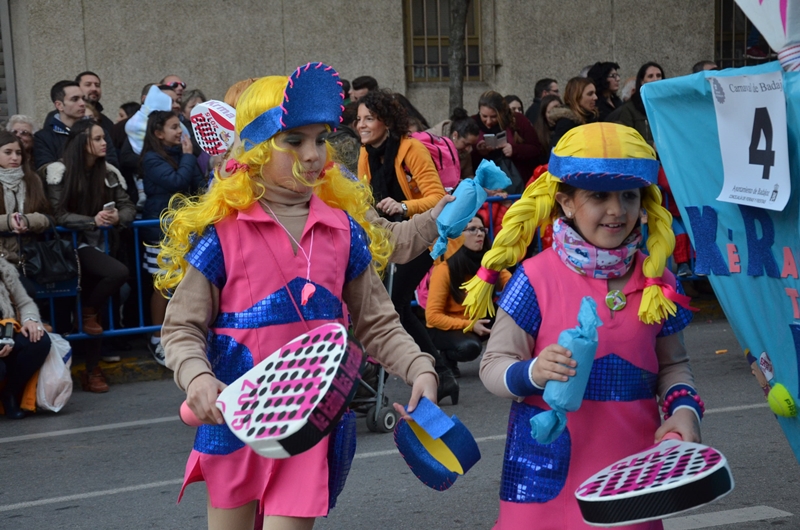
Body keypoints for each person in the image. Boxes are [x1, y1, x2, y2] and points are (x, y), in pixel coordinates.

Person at [158, 64, 438, 529]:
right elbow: (183, 326)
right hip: (234, 421)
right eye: (294, 141)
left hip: (307, 419)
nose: (313, 155)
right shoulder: (223, 234)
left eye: (320, 139)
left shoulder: (344, 230)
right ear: (257, 148)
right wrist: (197, 378)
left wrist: (419, 367)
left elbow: (377, 322)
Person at [463, 122, 701, 529]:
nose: (617, 210)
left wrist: (684, 411)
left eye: (629, 196)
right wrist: (531, 372)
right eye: (598, 196)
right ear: (567, 203)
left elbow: (674, 367)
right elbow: (493, 366)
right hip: (543, 482)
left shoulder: (659, 281)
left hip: (629, 480)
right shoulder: (534, 278)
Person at [355, 89, 456, 403]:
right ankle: (440, 374)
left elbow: (437, 196)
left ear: (386, 122)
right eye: (358, 119)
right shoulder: (364, 152)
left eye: (368, 119)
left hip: (424, 236)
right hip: (388, 240)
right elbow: (362, 198)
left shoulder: (411, 148)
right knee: (395, 305)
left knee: (394, 300)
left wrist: (402, 207)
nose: (360, 125)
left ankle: (436, 372)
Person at [46, 120, 135, 392]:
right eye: (97, 139)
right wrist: (92, 221)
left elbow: (128, 205)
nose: (104, 143)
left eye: (103, 138)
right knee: (116, 274)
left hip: (100, 247)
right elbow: (58, 214)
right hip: (67, 250)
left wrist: (118, 216)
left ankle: (93, 370)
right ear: (82, 143)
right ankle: (85, 319)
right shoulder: (57, 172)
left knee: (97, 307)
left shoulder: (108, 172)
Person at [140, 111, 205, 366]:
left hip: (184, 228)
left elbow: (198, 187)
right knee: (162, 285)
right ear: (158, 133)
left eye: (180, 127)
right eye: (174, 127)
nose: (181, 132)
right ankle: (157, 337)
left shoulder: (183, 154)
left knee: (184, 284)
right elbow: (175, 182)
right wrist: (189, 157)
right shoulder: (152, 158)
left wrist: (191, 159)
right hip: (160, 230)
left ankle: (181, 336)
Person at [425, 216, 510, 379]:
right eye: (472, 229)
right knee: (470, 348)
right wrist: (469, 325)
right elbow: (432, 317)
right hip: (449, 326)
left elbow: (513, 287)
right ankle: (447, 357)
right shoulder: (445, 269)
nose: (479, 234)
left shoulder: (491, 262)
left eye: (482, 229)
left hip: (480, 319)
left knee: (515, 313)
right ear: (457, 235)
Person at [0, 131, 52, 296]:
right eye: (8, 153)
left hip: (29, 255)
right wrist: (9, 221)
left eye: (18, 153)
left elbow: (49, 217)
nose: (14, 158)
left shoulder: (32, 180)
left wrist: (27, 221)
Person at [0, 256, 51, 419]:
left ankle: (10, 394)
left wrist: (30, 320)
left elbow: (25, 303)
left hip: (7, 330)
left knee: (38, 341)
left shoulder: (4, 269)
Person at [33, 81, 119, 171]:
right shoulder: (43, 137)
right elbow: (47, 171)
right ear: (59, 105)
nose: (82, 103)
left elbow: (112, 164)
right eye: (75, 99)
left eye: (83, 98)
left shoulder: (98, 131)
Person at [471, 90, 542, 190]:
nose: (488, 121)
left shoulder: (518, 120)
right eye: (484, 116)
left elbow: (536, 149)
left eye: (494, 117)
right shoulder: (473, 122)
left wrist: (514, 150)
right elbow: (465, 156)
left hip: (517, 180)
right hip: (485, 185)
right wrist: (478, 150)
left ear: (502, 112)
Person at [611, 62, 666, 147]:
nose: (655, 79)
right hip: (644, 157)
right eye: (650, 76)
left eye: (659, 75)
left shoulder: (668, 106)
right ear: (642, 81)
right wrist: (651, 145)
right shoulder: (630, 108)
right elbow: (626, 139)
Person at [427, 107, 480, 180]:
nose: (469, 149)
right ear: (455, 135)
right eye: (466, 144)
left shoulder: (464, 151)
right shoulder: (429, 141)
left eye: (471, 145)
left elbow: (468, 175)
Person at [551, 77, 598, 146]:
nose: (595, 97)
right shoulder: (566, 123)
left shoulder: (591, 117)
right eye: (590, 94)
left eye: (595, 93)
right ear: (576, 96)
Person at [531, 94, 563, 162]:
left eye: (558, 109)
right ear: (544, 114)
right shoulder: (538, 135)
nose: (555, 113)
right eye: (550, 111)